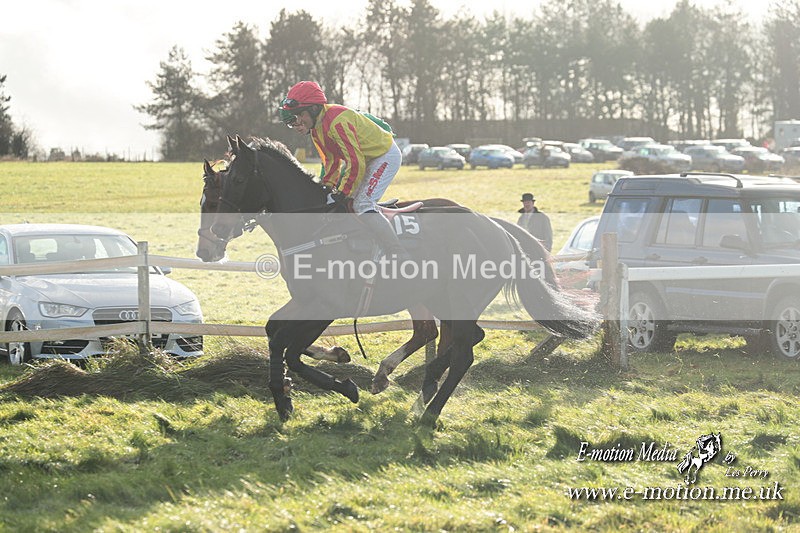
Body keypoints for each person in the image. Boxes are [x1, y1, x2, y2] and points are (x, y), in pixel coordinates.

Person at [279, 81, 408, 261]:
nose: (298, 122)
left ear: (315, 109)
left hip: (384, 155)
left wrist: (341, 192)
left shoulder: (337, 121)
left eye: (300, 115)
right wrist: (326, 187)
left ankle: (397, 252)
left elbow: (355, 163)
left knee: (362, 204)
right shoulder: (316, 129)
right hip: (367, 158)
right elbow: (331, 161)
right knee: (344, 203)